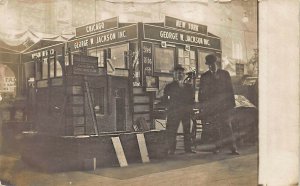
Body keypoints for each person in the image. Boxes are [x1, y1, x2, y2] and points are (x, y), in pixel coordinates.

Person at [198, 54, 239, 155]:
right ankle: (217, 147)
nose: (212, 66)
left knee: (227, 126)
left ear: (217, 63)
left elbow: (230, 90)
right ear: (208, 65)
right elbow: (201, 92)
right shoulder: (204, 76)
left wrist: (232, 105)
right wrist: (202, 106)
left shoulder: (225, 74)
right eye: (210, 64)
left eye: (213, 64)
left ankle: (233, 148)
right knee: (214, 127)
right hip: (212, 107)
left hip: (224, 107)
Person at [163, 64, 195, 155]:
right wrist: (169, 109)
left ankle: (188, 149)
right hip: (174, 112)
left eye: (181, 73)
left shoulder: (188, 87)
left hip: (186, 112)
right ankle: (171, 149)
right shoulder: (169, 86)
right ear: (174, 74)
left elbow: (191, 100)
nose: (179, 75)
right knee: (172, 131)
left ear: (184, 75)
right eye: (177, 73)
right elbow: (165, 99)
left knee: (187, 131)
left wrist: (191, 110)